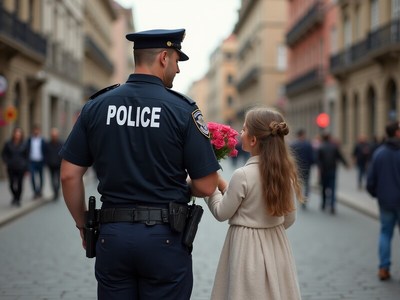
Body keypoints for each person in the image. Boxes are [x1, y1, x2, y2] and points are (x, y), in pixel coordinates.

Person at [59, 28, 220, 300]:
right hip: (165, 237)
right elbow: (207, 186)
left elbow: (68, 175)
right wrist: (181, 184)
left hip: (112, 236)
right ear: (164, 57)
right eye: (178, 61)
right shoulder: (182, 109)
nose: (178, 70)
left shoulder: (97, 106)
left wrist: (82, 225)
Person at [204, 107, 303, 300]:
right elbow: (289, 219)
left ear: (253, 140)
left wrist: (211, 188)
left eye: (243, 129)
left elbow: (221, 212)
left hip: (246, 249)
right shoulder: (285, 175)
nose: (240, 133)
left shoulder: (242, 175)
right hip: (276, 246)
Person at [366, 120, 400, 281]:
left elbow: (370, 181)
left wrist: (377, 194)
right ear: (397, 133)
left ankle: (384, 268)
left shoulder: (379, 153)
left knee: (385, 233)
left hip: (385, 201)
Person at [317, 132, 348, 214]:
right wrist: (346, 164)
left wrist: (319, 169)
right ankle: (332, 205)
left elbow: (318, 160)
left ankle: (324, 203)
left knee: (324, 188)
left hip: (324, 171)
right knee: (333, 188)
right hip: (332, 170)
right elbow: (340, 157)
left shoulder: (321, 147)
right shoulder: (334, 147)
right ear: (329, 138)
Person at [1, 127, 29, 207]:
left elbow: (27, 156)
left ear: (21, 135)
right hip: (11, 167)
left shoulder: (24, 144)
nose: (17, 135)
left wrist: (26, 167)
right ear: (13, 134)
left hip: (21, 167)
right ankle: (15, 196)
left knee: (20, 183)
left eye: (19, 134)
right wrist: (7, 161)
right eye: (16, 134)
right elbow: (4, 154)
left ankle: (18, 199)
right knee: (11, 184)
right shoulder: (8, 143)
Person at [290, 128, 314, 208]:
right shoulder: (308, 144)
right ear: (303, 135)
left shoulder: (293, 144)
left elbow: (291, 157)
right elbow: (312, 157)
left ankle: (299, 198)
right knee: (307, 184)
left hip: (297, 167)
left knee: (297, 183)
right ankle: (305, 199)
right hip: (307, 167)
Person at [27, 124, 46, 199]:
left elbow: (46, 151)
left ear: (39, 131)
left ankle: (40, 191)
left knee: (41, 177)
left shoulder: (42, 140)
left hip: (41, 161)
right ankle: (35, 191)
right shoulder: (29, 140)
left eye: (37, 130)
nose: (36, 131)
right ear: (33, 131)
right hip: (32, 161)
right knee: (32, 177)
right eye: (34, 130)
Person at [45, 128, 63, 200]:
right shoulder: (48, 144)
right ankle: (54, 191)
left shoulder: (61, 143)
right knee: (52, 178)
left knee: (58, 179)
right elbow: (46, 154)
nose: (54, 137)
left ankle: (57, 191)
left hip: (58, 164)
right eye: (53, 135)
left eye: (55, 135)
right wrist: (47, 162)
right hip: (51, 164)